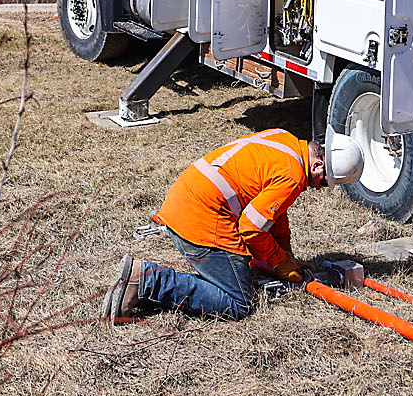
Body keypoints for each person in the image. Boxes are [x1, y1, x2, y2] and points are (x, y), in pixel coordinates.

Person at [101, 128, 363, 321]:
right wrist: (280, 263)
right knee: (238, 303)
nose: (316, 189)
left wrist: (286, 257)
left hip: (187, 197)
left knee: (239, 276)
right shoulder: (293, 176)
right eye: (321, 183)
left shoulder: (285, 140)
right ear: (318, 164)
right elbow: (252, 228)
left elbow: (275, 214)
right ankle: (149, 280)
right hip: (201, 217)